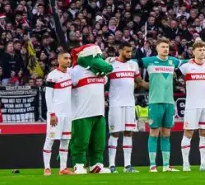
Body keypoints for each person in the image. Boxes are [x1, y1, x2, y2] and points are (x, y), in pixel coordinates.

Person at [67, 43, 114, 175]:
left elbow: (105, 78)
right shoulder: (76, 71)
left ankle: (96, 165)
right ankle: (78, 164)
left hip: (99, 112)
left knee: (98, 142)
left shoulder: (101, 74)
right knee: (80, 141)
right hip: (81, 114)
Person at [139, 38, 182, 172]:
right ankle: (152, 165)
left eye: (167, 47)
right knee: (153, 133)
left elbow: (186, 63)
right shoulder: (149, 61)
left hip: (169, 102)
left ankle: (166, 166)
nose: (165, 49)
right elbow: (133, 63)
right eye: (163, 47)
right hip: (155, 102)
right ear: (157, 48)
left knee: (166, 134)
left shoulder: (173, 61)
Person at [178, 41, 205, 171]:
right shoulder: (186, 66)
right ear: (193, 51)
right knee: (188, 132)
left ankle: (204, 164)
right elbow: (175, 76)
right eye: (199, 50)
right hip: (191, 105)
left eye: (203, 49)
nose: (202, 52)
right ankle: (185, 164)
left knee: (204, 132)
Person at [105, 43, 141, 172]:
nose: (129, 54)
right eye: (127, 51)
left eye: (130, 52)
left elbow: (139, 82)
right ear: (120, 50)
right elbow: (102, 79)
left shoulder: (133, 65)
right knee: (114, 133)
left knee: (128, 133)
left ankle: (127, 165)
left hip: (130, 104)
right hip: (115, 103)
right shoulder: (111, 64)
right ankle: (111, 165)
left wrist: (155, 83)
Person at [43, 50, 73, 175]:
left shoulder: (71, 73)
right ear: (59, 60)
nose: (68, 60)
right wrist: (52, 113)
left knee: (65, 140)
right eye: (65, 58)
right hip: (56, 113)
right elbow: (48, 96)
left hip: (68, 113)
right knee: (50, 139)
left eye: (69, 58)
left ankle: (63, 168)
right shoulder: (52, 75)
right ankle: (47, 168)